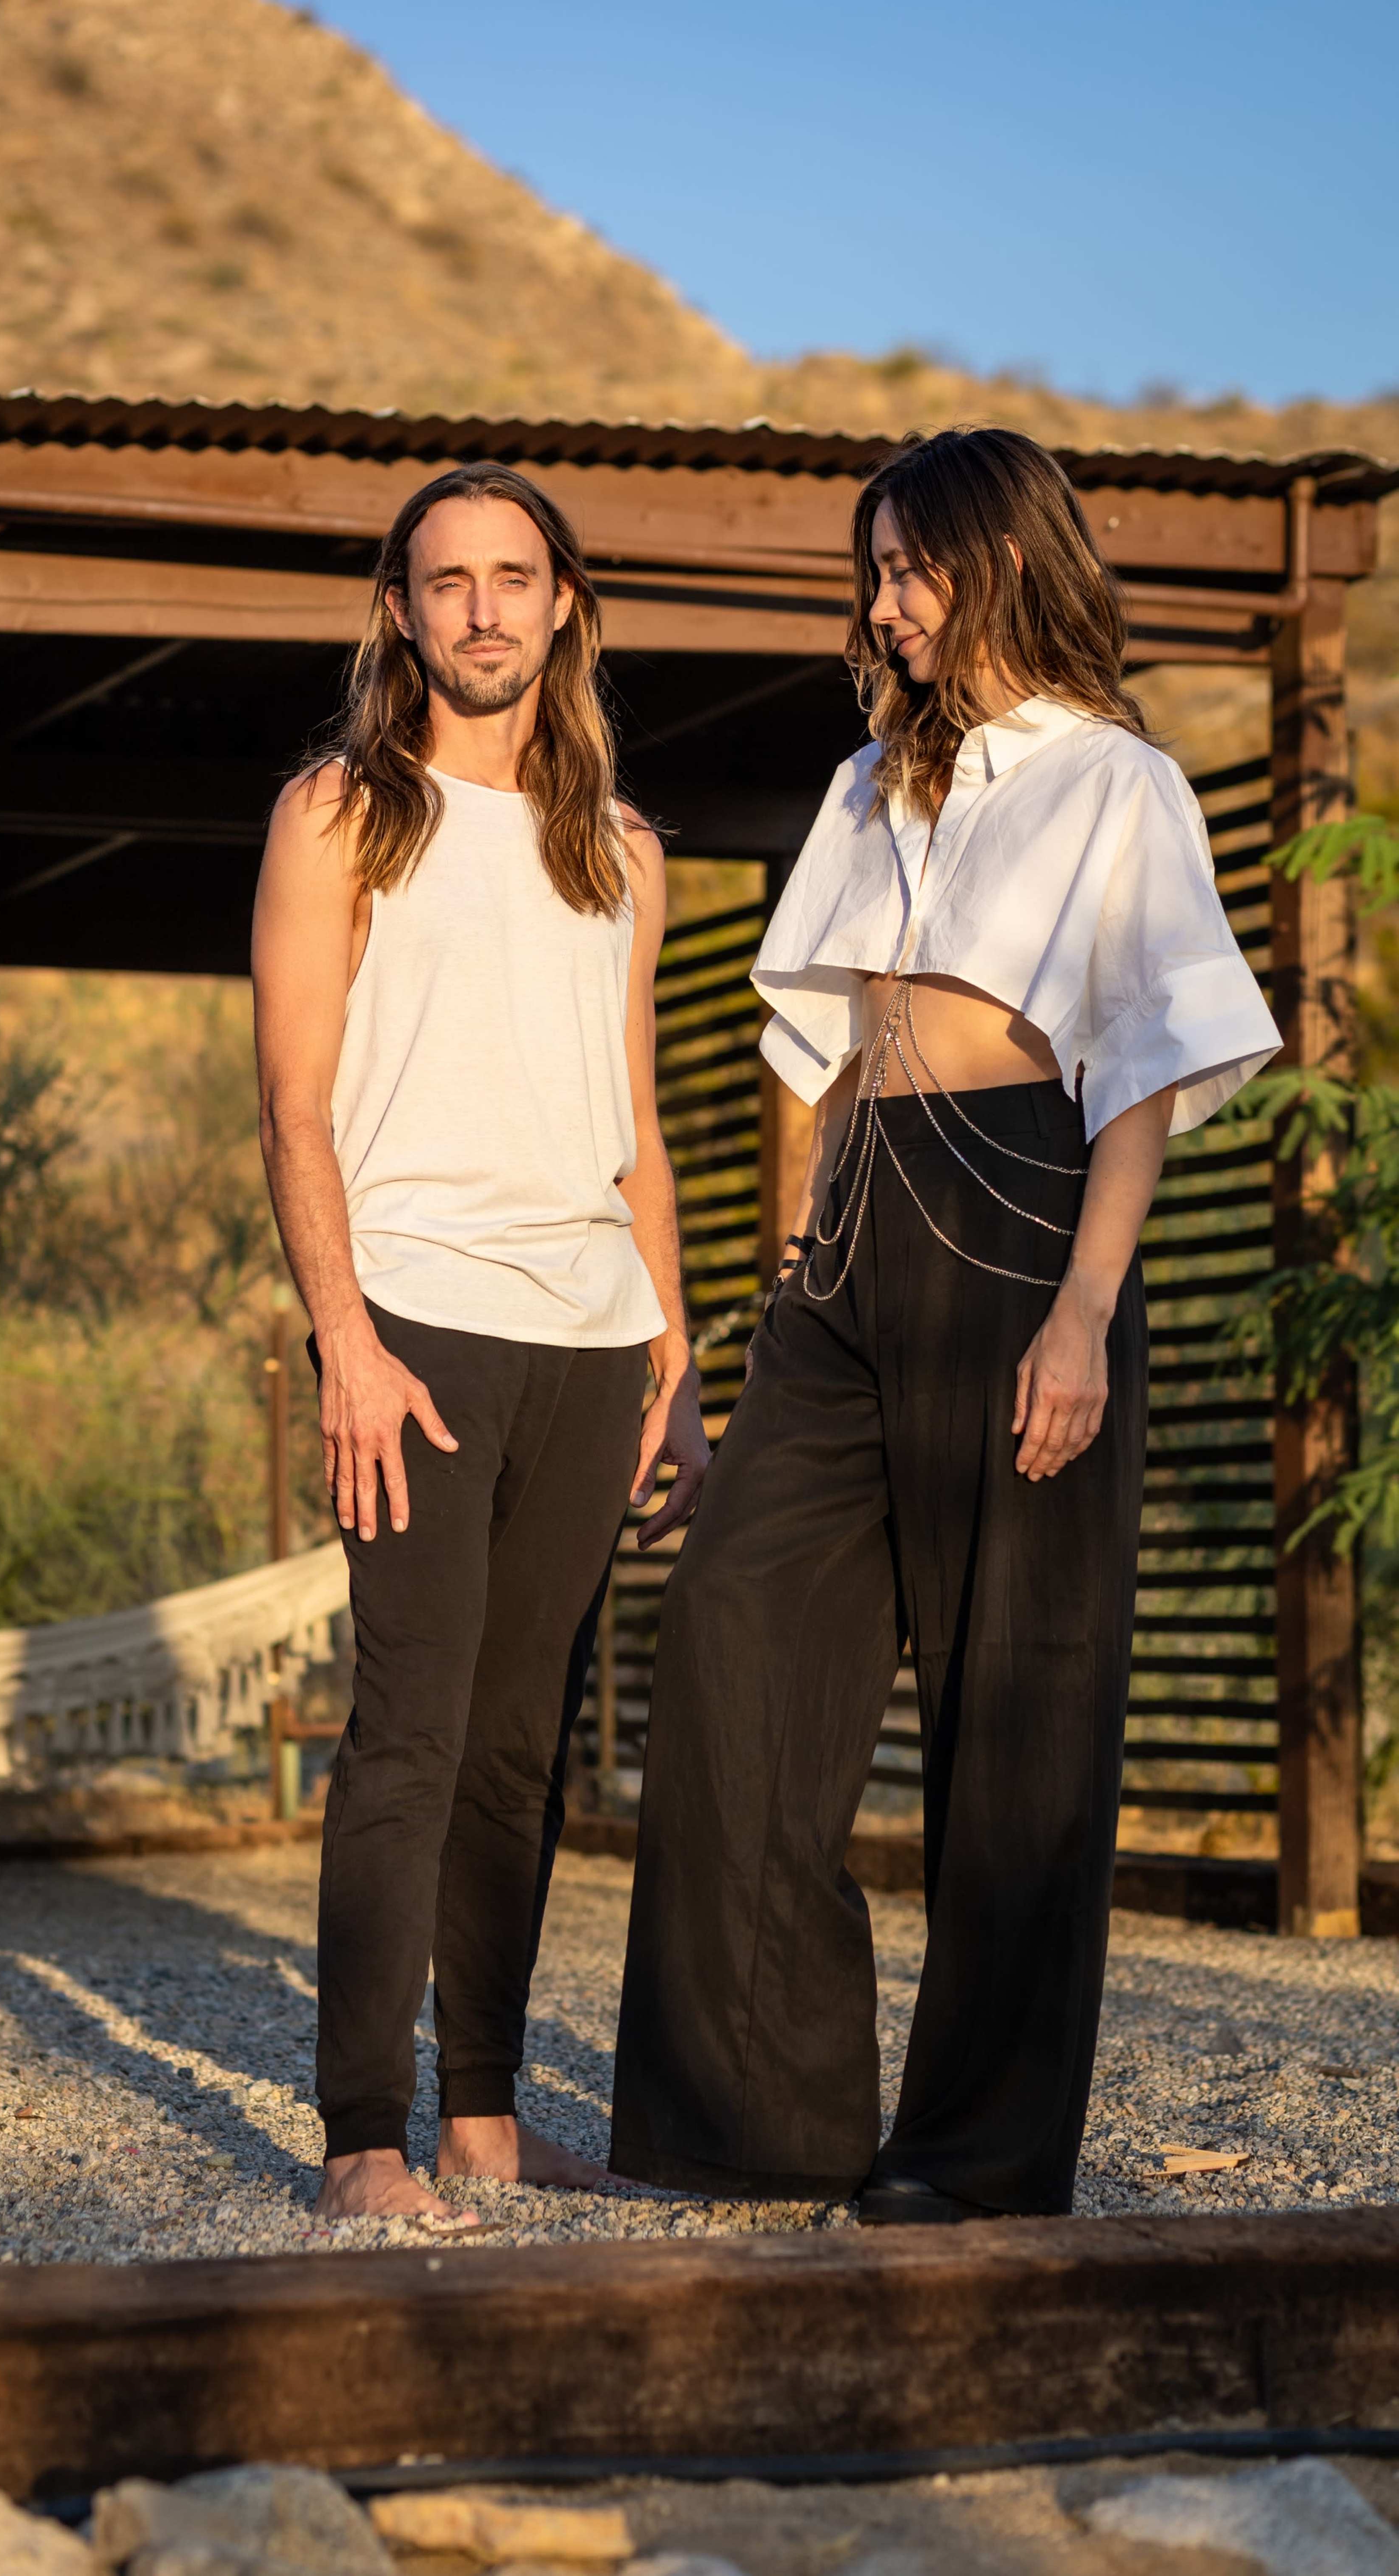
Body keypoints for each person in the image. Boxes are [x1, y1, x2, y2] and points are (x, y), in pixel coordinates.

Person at [610, 426, 1280, 2224]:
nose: (890, 603)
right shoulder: (866, 785)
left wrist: (1086, 1309)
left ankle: (977, 2157)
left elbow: (1136, 1066)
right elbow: (827, 1059)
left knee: (1020, 1708)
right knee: (741, 1643)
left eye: (915, 566)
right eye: (878, 570)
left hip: (1021, 1218)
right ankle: (757, 2124)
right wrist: (791, 1273)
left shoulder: (1117, 782)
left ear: (1002, 560)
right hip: (854, 1228)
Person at [253, 461, 708, 2228]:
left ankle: (487, 2120)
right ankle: (364, 2131)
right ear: (402, 611)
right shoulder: (343, 811)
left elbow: (636, 1123)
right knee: (412, 1731)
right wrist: (344, 1340)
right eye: (449, 582)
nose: (486, 609)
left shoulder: (626, 852)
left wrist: (673, 1364)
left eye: (516, 577)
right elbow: (295, 1103)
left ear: (566, 602)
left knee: (522, 1748)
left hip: (593, 1336)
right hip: (418, 1323)